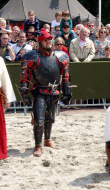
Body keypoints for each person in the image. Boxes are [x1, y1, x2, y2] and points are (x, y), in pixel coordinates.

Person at [19, 28, 72, 157]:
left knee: (50, 119)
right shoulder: (32, 56)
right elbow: (25, 76)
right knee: (39, 119)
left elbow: (65, 76)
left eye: (50, 40)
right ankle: (38, 145)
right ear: (41, 42)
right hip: (39, 92)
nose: (49, 42)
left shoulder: (61, 56)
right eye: (46, 40)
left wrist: (67, 92)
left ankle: (47, 140)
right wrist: (24, 93)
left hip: (54, 92)